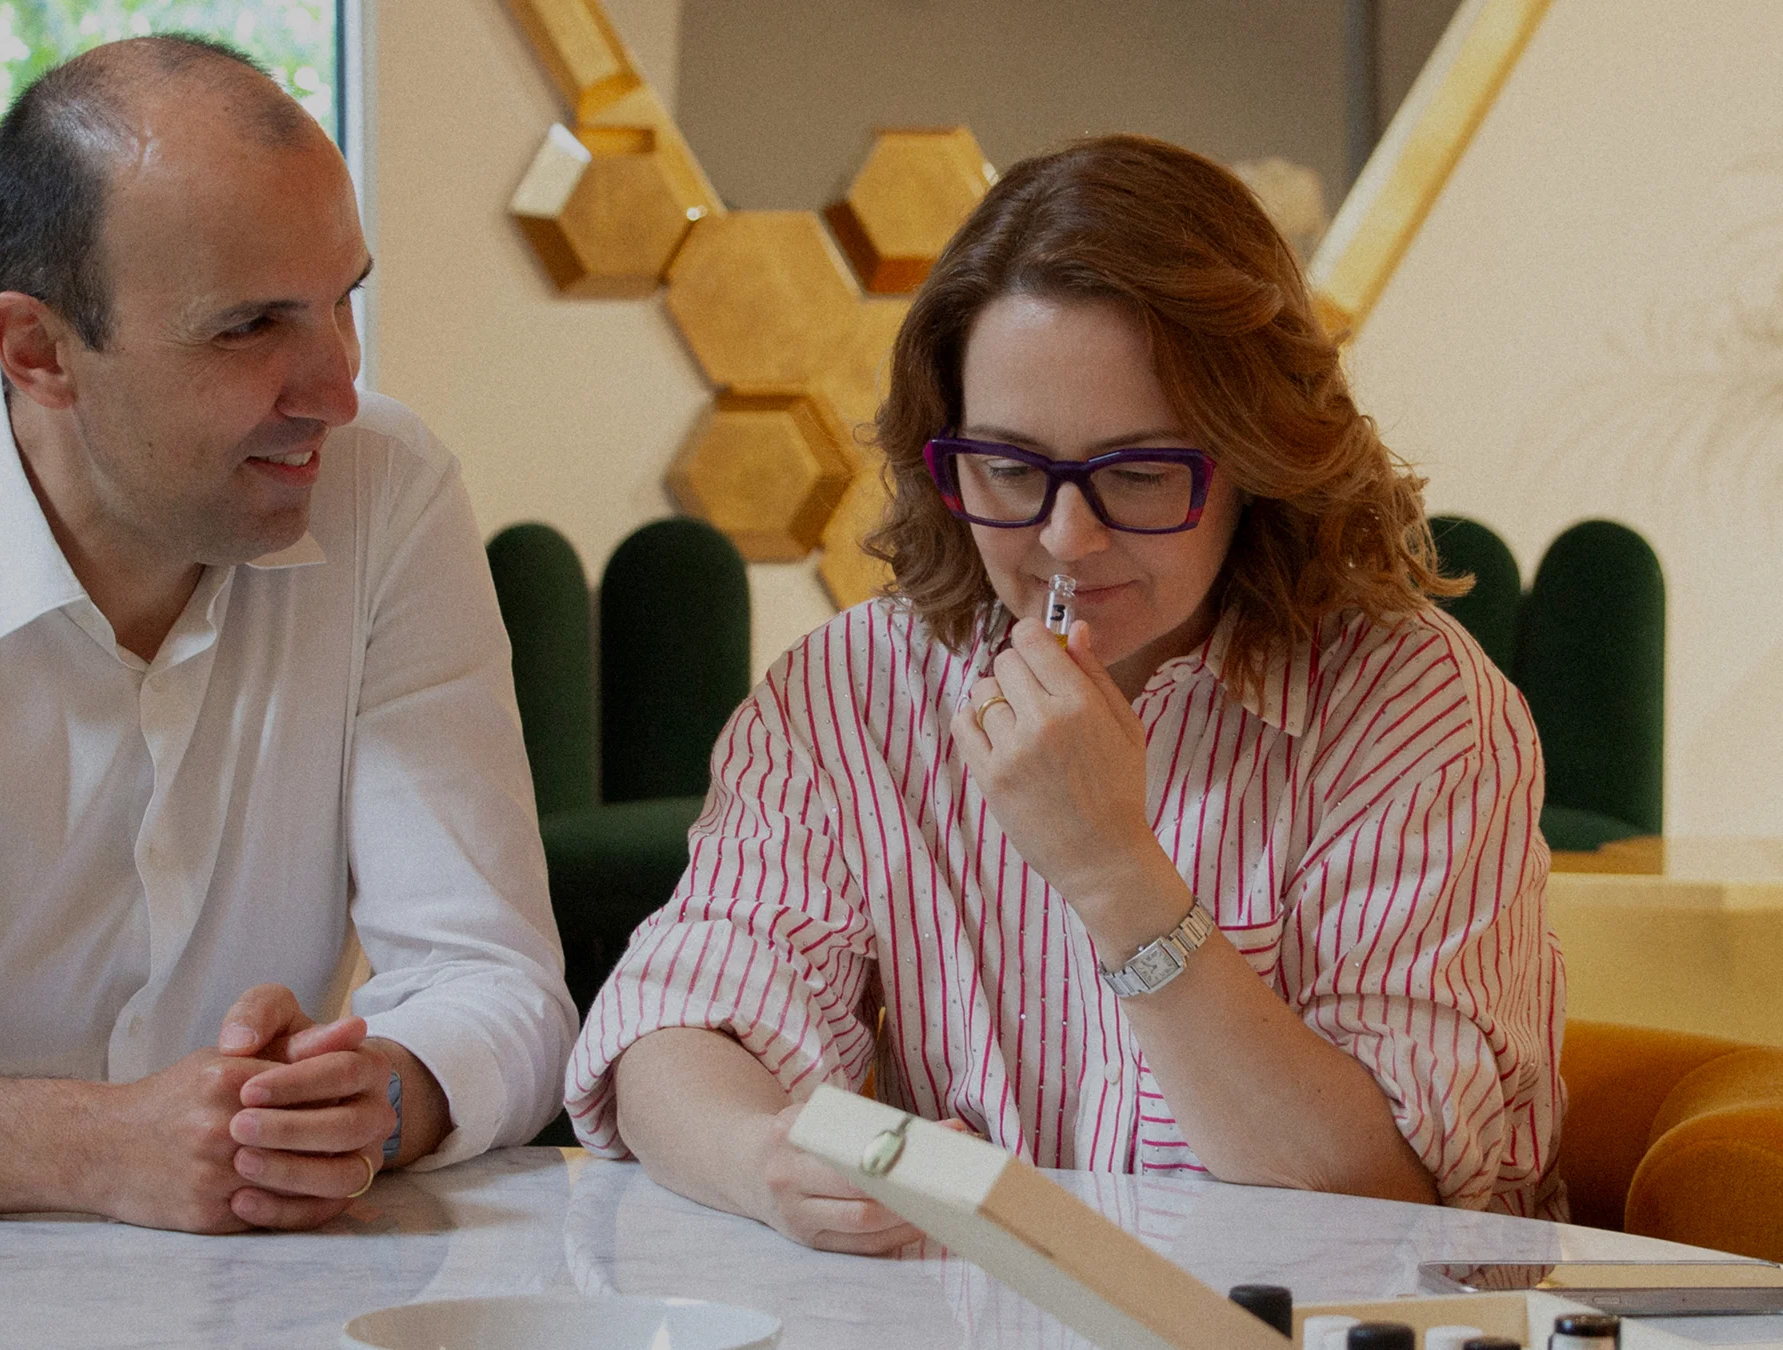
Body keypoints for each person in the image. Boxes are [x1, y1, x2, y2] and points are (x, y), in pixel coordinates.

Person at [0, 36, 575, 1231]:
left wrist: (371, 1100)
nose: (335, 389)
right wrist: (93, 1146)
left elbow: (497, 983)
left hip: (242, 1291)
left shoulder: (383, 493)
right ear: (38, 351)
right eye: (249, 327)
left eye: (344, 302)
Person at [568, 135, 1564, 1253]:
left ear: (1257, 459)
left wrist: (1112, 869)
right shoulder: (850, 689)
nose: (1065, 538)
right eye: (1009, 468)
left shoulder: (1416, 710)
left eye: (1140, 472)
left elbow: (1390, 1195)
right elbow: (679, 1024)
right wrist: (767, 1160)